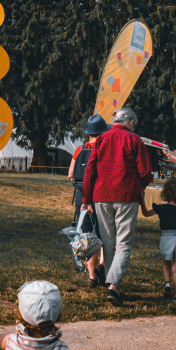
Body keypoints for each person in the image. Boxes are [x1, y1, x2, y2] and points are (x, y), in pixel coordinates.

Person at [81, 108, 153, 307]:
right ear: (129, 122)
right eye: (134, 124)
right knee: (124, 244)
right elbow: (145, 171)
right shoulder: (135, 140)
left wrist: (86, 199)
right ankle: (113, 285)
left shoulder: (102, 139)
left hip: (101, 196)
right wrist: (143, 184)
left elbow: (90, 170)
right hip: (126, 195)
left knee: (108, 242)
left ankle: (111, 284)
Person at [68, 114, 110, 288]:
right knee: (105, 234)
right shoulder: (105, 149)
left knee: (87, 235)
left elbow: (71, 175)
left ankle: (92, 276)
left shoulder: (79, 150)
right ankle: (102, 265)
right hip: (100, 195)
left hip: (81, 196)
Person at [139, 178, 176, 302]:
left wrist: (142, 201)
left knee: (166, 265)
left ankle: (167, 282)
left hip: (166, 237)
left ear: (165, 193)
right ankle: (175, 296)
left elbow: (146, 213)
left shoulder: (161, 208)